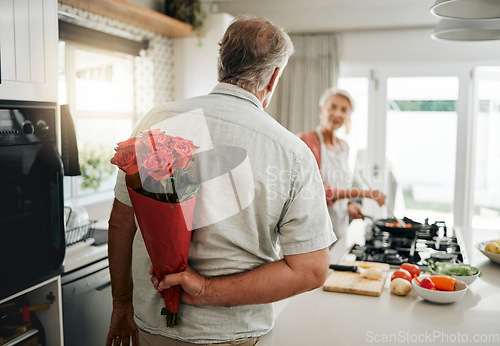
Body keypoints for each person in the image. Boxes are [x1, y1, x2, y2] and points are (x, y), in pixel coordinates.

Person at [106, 15, 336, 346]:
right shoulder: (293, 153)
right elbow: (312, 270)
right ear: (273, 77)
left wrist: (120, 302)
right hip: (233, 335)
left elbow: (120, 223)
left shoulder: (157, 121)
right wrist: (206, 290)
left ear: (221, 64)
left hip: (153, 327)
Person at [297, 88, 386, 239]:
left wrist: (349, 204)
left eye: (344, 110)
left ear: (348, 116)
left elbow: (340, 184)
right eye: (333, 107)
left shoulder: (344, 146)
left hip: (339, 227)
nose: (338, 114)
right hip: (313, 229)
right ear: (321, 110)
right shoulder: (306, 141)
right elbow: (315, 191)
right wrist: (364, 193)